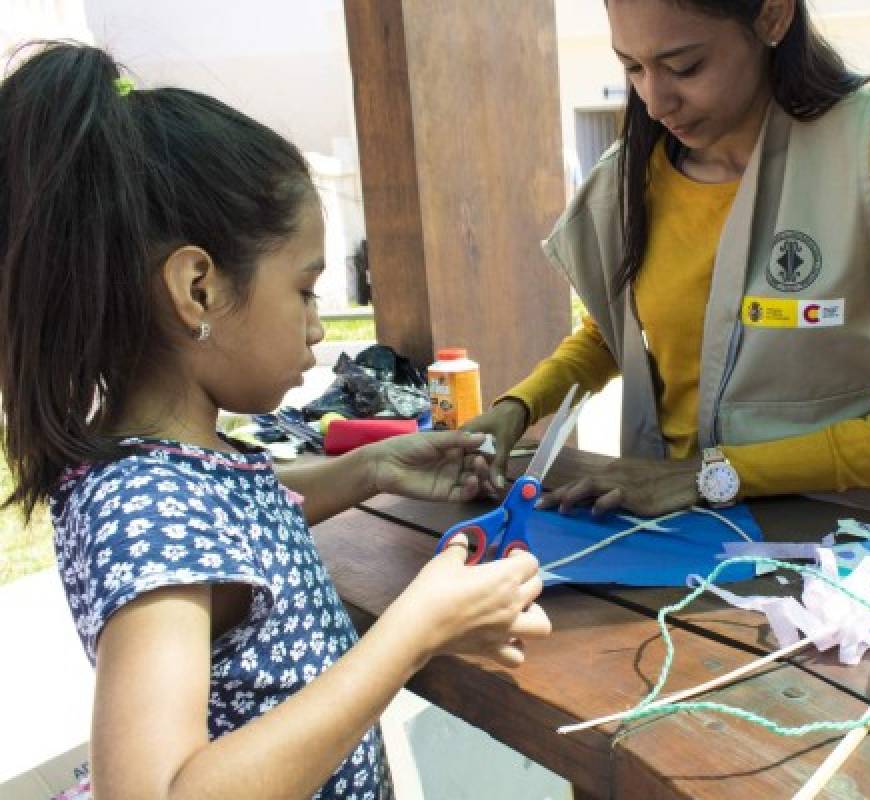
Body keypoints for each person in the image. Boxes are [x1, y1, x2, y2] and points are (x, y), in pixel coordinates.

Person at [0, 43, 549, 799]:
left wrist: (371, 469)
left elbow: (236, 519)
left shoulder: (174, 466)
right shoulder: (146, 505)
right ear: (198, 289)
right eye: (305, 290)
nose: (320, 327)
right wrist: (413, 632)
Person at [468, 0, 870, 520]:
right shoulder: (633, 176)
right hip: (666, 532)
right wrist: (517, 407)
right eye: (632, 67)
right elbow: (615, 335)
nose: (656, 102)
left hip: (838, 548)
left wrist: (714, 475)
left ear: (772, 16)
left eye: (685, 67)